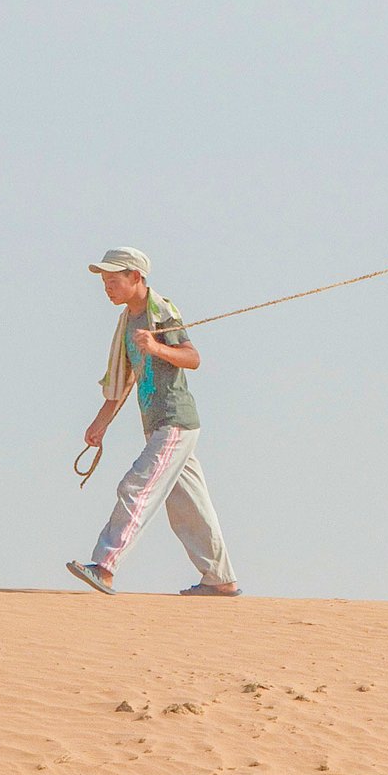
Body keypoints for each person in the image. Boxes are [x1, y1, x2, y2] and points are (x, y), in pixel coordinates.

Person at [66, 246, 241, 596]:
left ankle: (105, 566)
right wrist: (101, 423)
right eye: (105, 281)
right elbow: (124, 378)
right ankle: (220, 579)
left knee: (137, 486)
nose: (107, 287)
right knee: (189, 507)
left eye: (113, 280)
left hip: (174, 420)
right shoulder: (128, 320)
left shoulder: (160, 311)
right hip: (160, 423)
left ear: (136, 277)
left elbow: (192, 358)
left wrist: (157, 347)